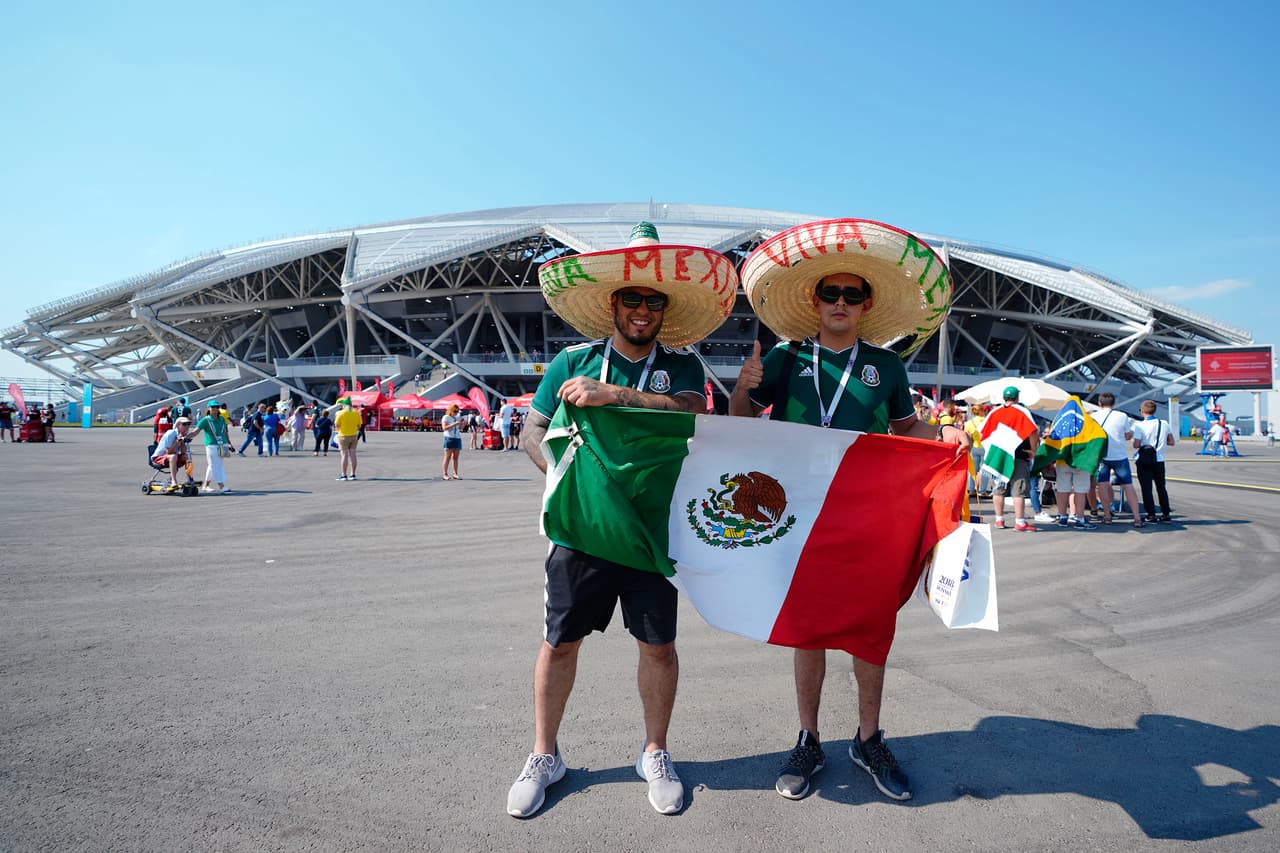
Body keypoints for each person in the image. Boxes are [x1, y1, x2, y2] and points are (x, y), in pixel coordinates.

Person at [507, 222, 737, 819]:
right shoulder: (571, 360)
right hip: (580, 532)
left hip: (652, 532)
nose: (642, 310)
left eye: (653, 301)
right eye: (632, 298)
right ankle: (544, 755)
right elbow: (534, 429)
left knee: (658, 647)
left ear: (665, 310)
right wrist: (564, 481)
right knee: (560, 643)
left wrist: (616, 395)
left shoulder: (681, 368)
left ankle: (654, 752)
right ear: (613, 302)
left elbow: (690, 413)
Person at [729, 218, 950, 804]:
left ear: (866, 304)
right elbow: (740, 421)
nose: (841, 302)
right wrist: (744, 387)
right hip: (799, 514)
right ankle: (809, 739)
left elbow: (906, 430)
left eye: (853, 294)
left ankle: (868, 739)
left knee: (870, 629)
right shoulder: (785, 356)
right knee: (809, 630)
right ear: (816, 299)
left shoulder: (886, 366)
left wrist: (946, 437)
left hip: (868, 515)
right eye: (831, 292)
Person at [986, 387, 1040, 531]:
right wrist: (1033, 450)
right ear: (1017, 397)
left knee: (998, 488)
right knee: (1018, 488)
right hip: (1019, 454)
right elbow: (1033, 432)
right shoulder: (1022, 411)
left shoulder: (994, 412)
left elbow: (984, 432)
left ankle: (999, 520)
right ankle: (1020, 522)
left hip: (999, 455)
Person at [1094, 392, 1144, 527]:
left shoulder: (1094, 416)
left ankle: (1107, 516)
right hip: (1119, 456)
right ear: (1113, 403)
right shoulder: (1122, 416)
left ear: (1099, 403)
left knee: (1102, 485)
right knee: (1128, 485)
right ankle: (1137, 518)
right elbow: (1127, 435)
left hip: (1102, 456)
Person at [1132, 399, 1176, 522]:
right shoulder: (1164, 423)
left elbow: (1136, 444)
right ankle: (1166, 513)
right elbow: (1171, 441)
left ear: (1142, 411)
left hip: (1145, 460)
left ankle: (1151, 514)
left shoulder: (1140, 426)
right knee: (1161, 487)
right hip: (1159, 459)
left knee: (1146, 488)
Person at [191, 400, 232, 493]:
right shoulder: (205, 420)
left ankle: (205, 485)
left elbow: (225, 431)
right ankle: (221, 486)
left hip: (222, 444)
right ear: (209, 408)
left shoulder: (221, 419)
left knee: (214, 465)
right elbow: (195, 431)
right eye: (213, 407)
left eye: (217, 407)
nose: (215, 409)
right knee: (215, 465)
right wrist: (186, 437)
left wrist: (229, 443)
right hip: (211, 445)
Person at [151, 416, 193, 485]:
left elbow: (183, 452)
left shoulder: (184, 435)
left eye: (188, 424)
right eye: (184, 424)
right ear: (178, 425)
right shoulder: (170, 433)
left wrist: (183, 442)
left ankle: (190, 478)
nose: (187, 426)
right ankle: (173, 480)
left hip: (172, 457)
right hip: (159, 457)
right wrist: (177, 441)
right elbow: (168, 452)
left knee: (187, 456)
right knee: (173, 456)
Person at [334, 397, 362, 480]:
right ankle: (353, 474)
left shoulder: (341, 413)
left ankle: (344, 475)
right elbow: (359, 426)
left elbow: (337, 425)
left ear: (344, 405)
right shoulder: (356, 413)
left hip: (343, 436)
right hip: (354, 436)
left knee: (344, 455)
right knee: (353, 454)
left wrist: (339, 430)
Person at [441, 403, 463, 480]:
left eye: (457, 411)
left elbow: (460, 428)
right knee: (447, 457)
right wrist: (455, 424)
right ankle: (445, 474)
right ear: (450, 410)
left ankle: (455, 473)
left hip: (457, 437)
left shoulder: (457, 417)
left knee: (456, 457)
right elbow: (444, 428)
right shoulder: (446, 417)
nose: (456, 413)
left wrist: (463, 423)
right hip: (449, 437)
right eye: (455, 411)